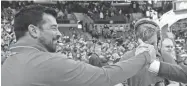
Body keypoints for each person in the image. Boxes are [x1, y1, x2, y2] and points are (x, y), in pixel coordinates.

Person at [2, 5, 156, 86]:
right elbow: (106, 77)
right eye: (54, 28)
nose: (60, 33)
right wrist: (144, 56)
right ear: (33, 31)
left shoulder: (8, 62)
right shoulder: (45, 62)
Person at [119, 18, 176, 86]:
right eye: (145, 44)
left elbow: (175, 82)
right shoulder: (127, 57)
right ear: (137, 41)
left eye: (152, 44)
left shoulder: (165, 57)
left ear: (158, 40)